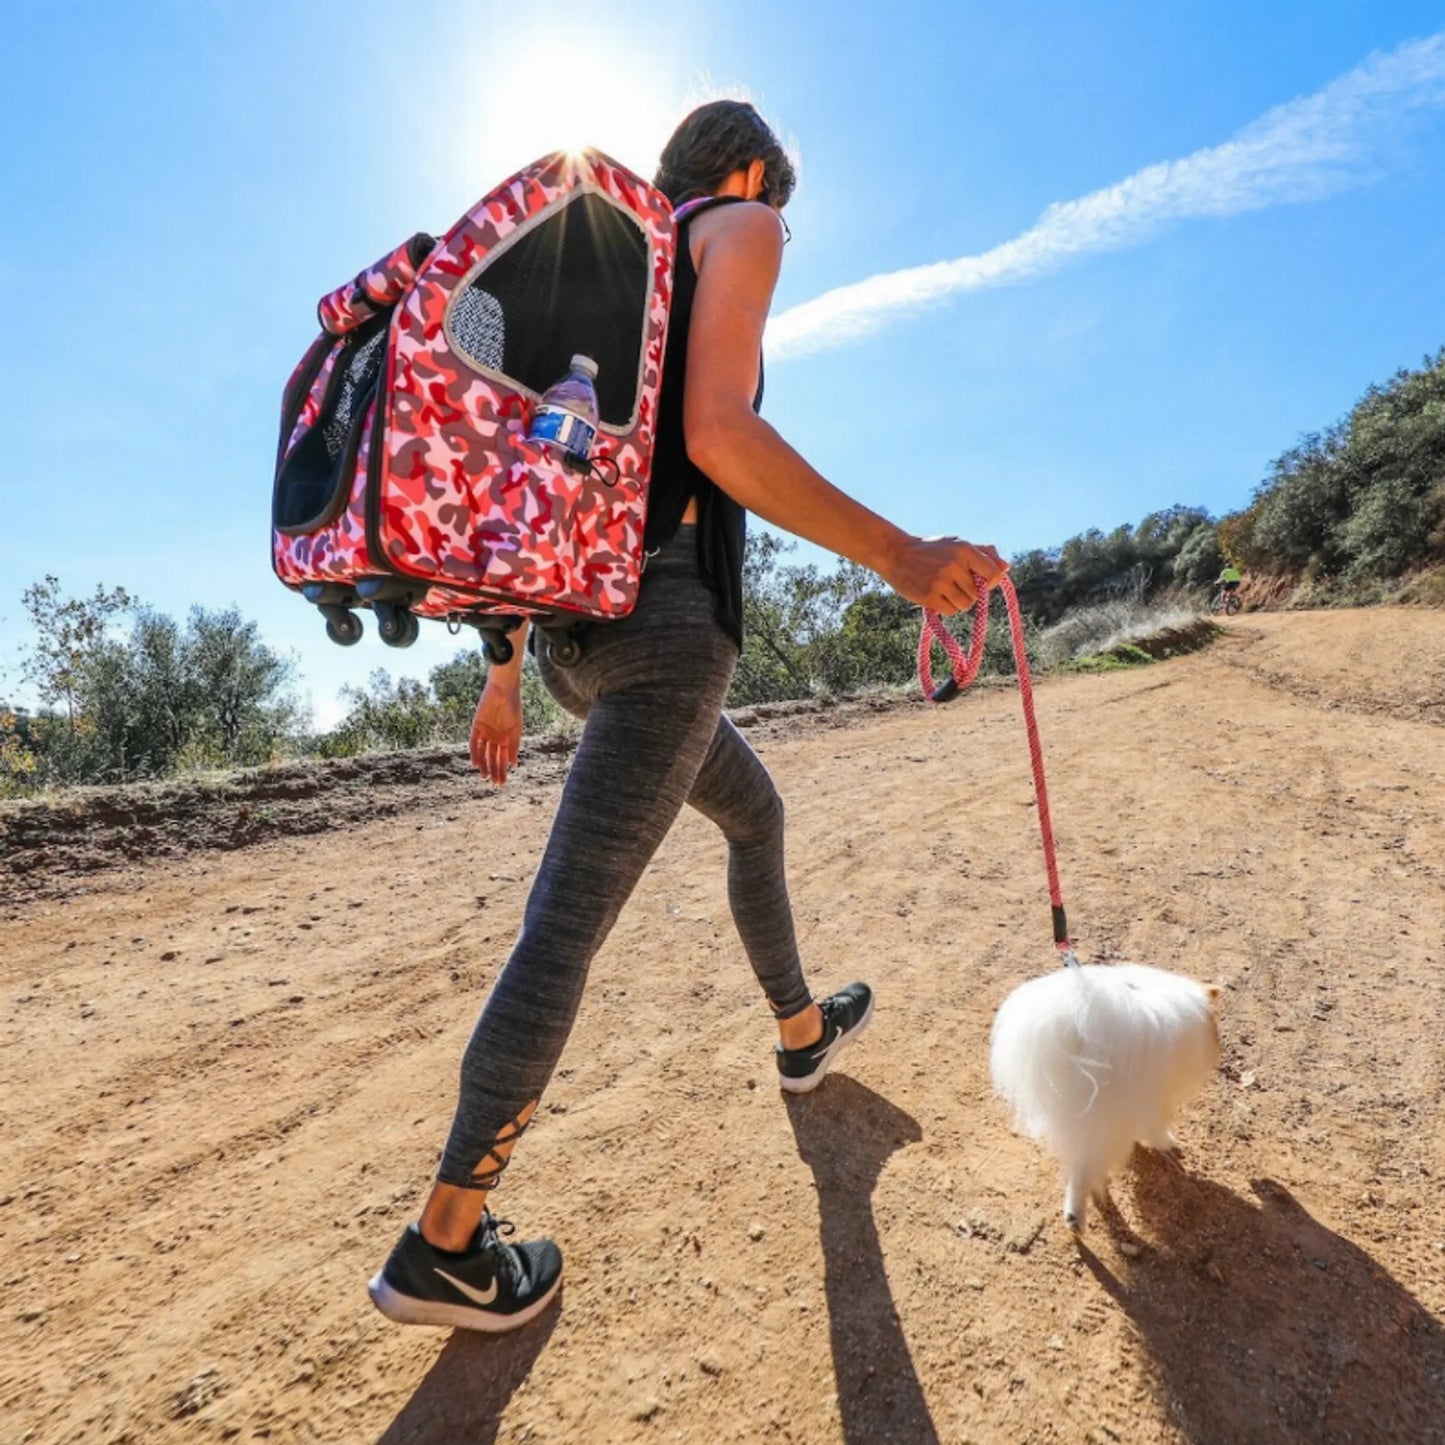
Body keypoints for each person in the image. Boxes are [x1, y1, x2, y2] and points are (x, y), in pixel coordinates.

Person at [368, 99, 1009, 1333]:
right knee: (563, 929)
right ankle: (443, 1241)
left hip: (572, 642)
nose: (779, 221)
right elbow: (718, 430)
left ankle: (801, 1028)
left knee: (753, 814)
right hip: (665, 637)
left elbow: (528, 478)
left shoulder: (619, 260)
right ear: (757, 168)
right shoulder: (741, 221)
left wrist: (504, 670)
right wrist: (899, 555)